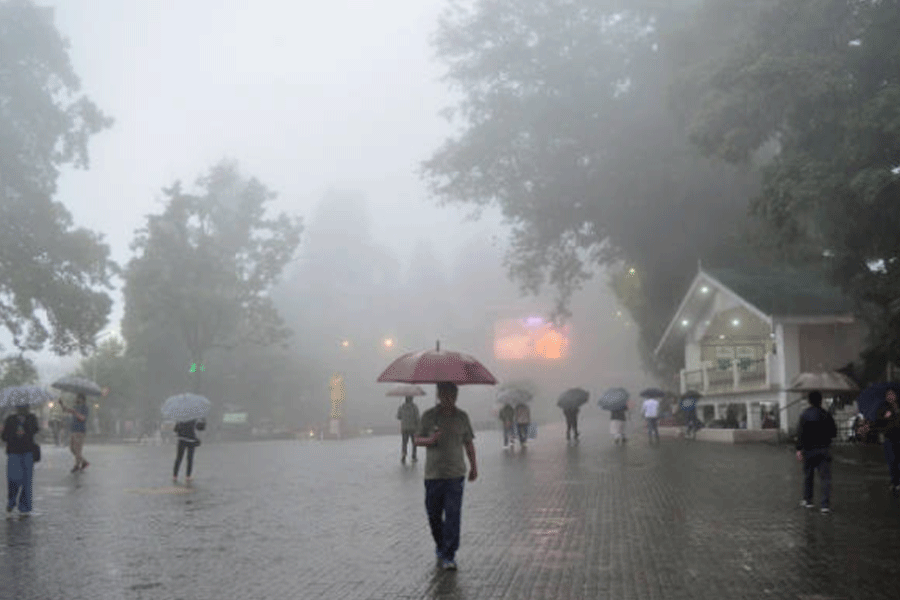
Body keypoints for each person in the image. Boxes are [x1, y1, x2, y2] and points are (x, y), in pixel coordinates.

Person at [414, 382, 477, 572]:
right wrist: (430, 440)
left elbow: (468, 443)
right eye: (445, 395)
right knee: (433, 515)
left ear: (456, 396)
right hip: (433, 475)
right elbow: (417, 440)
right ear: (439, 395)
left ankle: (449, 555)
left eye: (452, 395)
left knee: (452, 515)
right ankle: (441, 544)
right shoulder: (428, 417)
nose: (449, 399)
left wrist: (474, 466)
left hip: (455, 475)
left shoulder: (462, 417)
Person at [796, 390, 837, 513]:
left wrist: (799, 449)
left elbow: (800, 434)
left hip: (809, 450)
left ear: (809, 401)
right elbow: (834, 432)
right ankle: (825, 505)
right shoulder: (826, 414)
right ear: (821, 400)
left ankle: (808, 501)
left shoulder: (805, 415)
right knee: (825, 478)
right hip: (824, 449)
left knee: (808, 476)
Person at [857, 386, 900, 492]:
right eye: (888, 395)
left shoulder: (898, 407)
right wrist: (885, 416)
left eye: (892, 394)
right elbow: (877, 421)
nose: (890, 397)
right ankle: (895, 482)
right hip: (889, 438)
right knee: (892, 461)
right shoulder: (883, 407)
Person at [2, 403, 39, 518]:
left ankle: (25, 507)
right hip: (13, 453)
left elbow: (35, 430)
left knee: (27, 481)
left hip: (27, 452)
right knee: (13, 479)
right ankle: (11, 501)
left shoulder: (32, 418)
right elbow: (4, 437)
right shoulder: (10, 419)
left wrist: (24, 425)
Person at [60, 395, 89, 473]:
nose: (76, 399)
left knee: (77, 450)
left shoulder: (84, 408)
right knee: (72, 449)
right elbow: (66, 410)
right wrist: (61, 404)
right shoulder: (76, 406)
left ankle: (77, 465)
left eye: (77, 398)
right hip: (73, 430)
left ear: (82, 399)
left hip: (80, 431)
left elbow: (83, 418)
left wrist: (75, 413)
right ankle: (84, 462)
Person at [173, 419, 202, 483]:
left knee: (179, 458)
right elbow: (199, 428)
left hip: (182, 439)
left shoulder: (181, 418)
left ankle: (175, 476)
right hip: (191, 440)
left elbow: (175, 429)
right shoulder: (194, 418)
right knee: (190, 459)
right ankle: (188, 476)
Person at [396, 396, 421, 464]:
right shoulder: (414, 407)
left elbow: (398, 417)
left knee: (404, 442)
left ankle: (404, 454)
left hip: (404, 428)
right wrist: (419, 427)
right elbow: (417, 418)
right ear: (411, 399)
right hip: (413, 428)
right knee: (414, 443)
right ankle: (414, 456)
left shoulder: (402, 407)